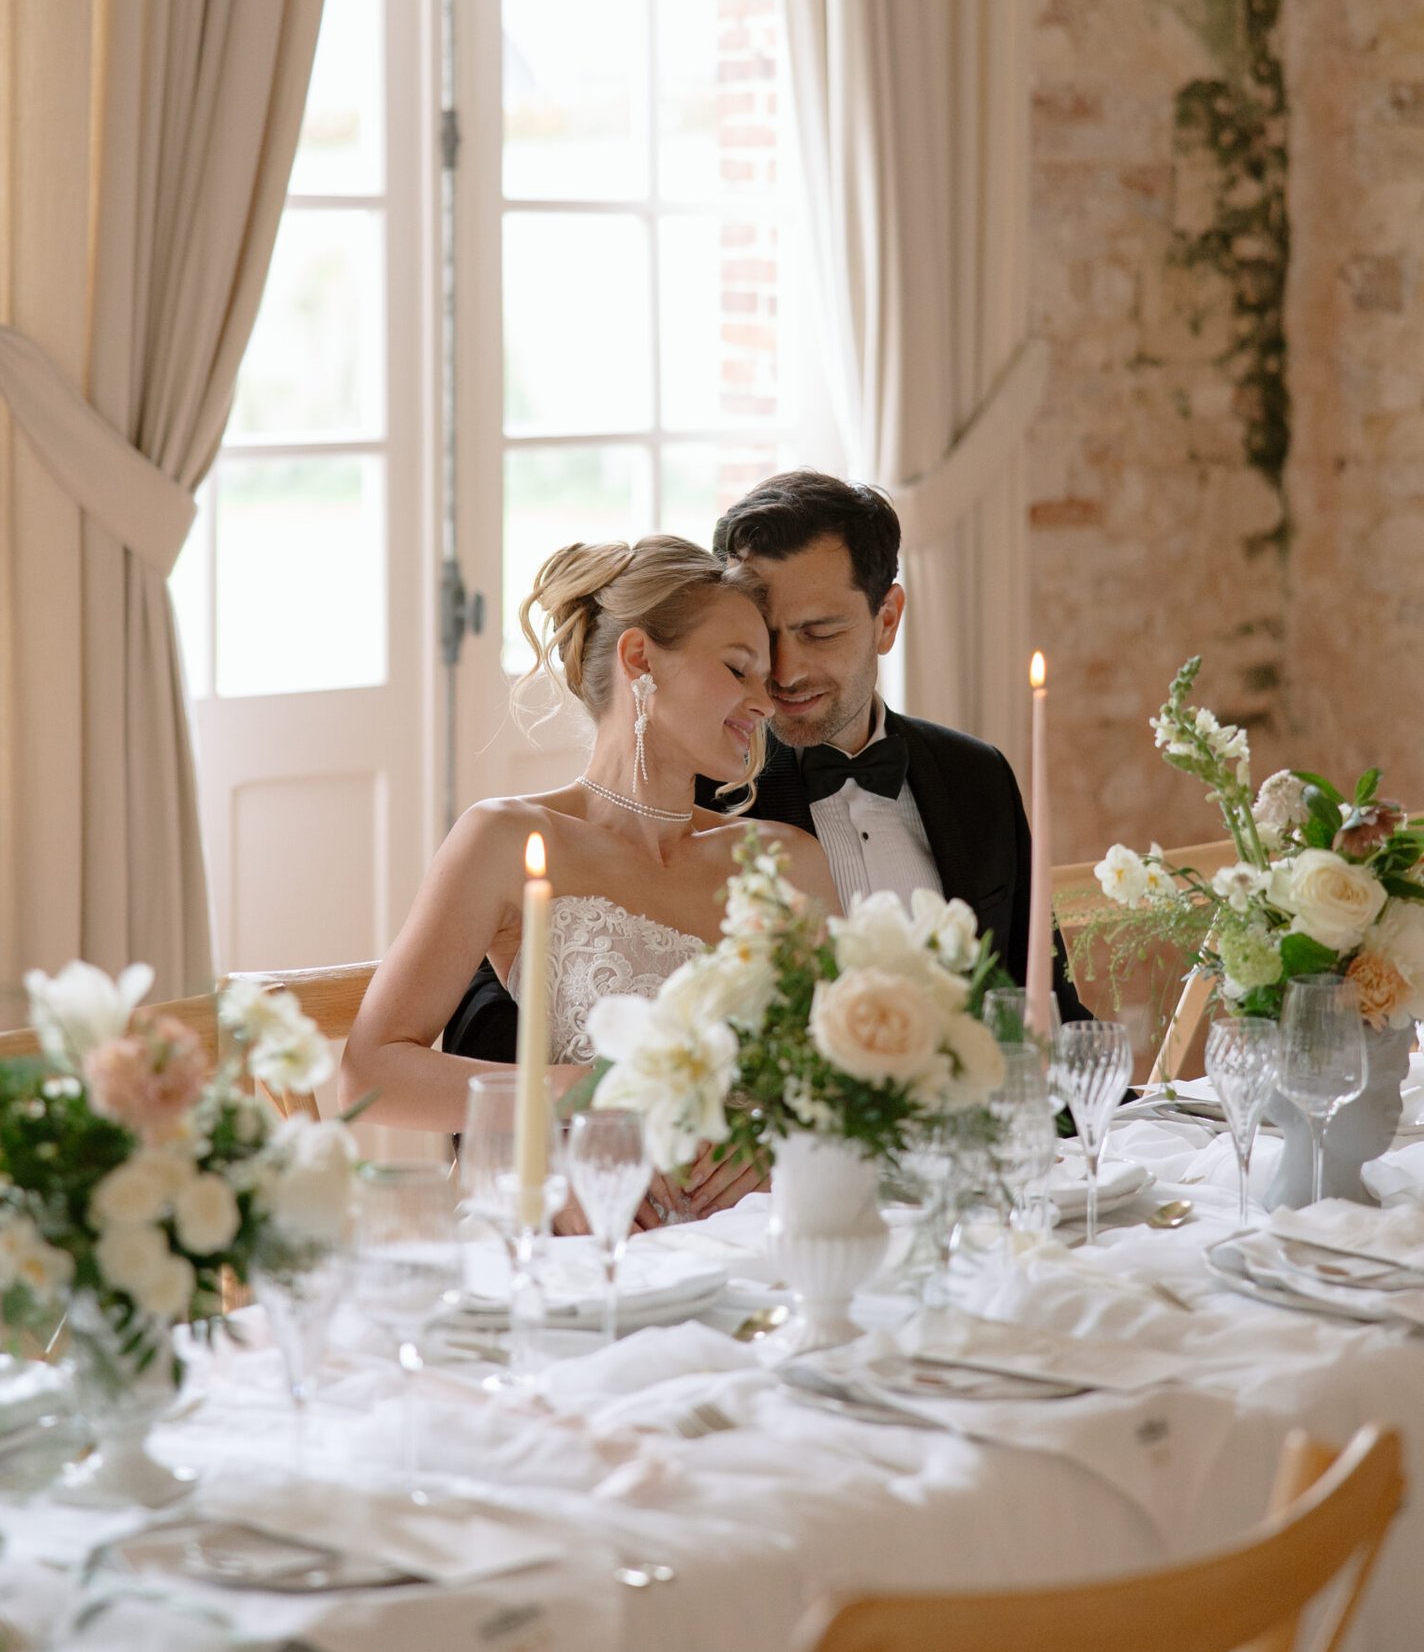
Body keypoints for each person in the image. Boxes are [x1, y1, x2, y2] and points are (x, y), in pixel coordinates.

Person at [442, 471, 1081, 1060]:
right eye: (759, 639)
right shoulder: (687, 781)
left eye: (819, 632)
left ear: (886, 620)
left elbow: (1045, 1001)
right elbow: (500, 997)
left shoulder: (976, 778)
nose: (783, 671)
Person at [339, 537, 839, 1221]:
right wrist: (566, 1113)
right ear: (640, 660)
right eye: (737, 669)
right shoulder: (508, 840)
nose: (764, 702)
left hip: (763, 1236)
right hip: (587, 1235)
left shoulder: (787, 860)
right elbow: (370, 1076)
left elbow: (841, 1078)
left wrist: (775, 1140)